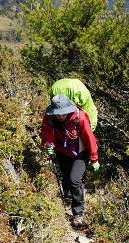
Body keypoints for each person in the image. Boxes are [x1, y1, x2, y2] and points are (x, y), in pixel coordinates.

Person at [41, 94, 99, 228]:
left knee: (75, 180)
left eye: (63, 113)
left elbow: (90, 138)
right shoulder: (50, 117)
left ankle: (78, 214)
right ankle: (67, 197)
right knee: (66, 177)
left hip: (80, 153)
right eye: (58, 113)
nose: (60, 116)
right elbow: (46, 132)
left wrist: (94, 158)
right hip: (62, 152)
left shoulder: (80, 117)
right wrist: (48, 144)